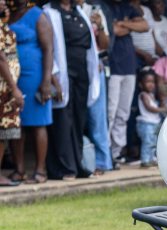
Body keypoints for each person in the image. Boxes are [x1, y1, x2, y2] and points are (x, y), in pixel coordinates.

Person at [45, 0, 100, 179]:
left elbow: (89, 44)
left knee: (78, 119)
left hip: (81, 70)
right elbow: (48, 47)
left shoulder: (79, 11)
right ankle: (63, 167)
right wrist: (54, 77)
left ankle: (78, 164)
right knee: (62, 119)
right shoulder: (49, 12)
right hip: (63, 72)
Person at [8, 0, 53, 183]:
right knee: (15, 123)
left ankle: (40, 170)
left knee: (37, 122)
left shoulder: (38, 15)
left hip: (34, 75)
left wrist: (46, 81)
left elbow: (48, 49)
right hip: (13, 77)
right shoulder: (9, 14)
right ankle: (19, 169)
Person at [106, 0, 147, 166]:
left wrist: (123, 23)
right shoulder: (102, 6)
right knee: (110, 112)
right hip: (112, 65)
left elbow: (144, 26)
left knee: (123, 112)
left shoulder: (127, 7)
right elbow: (113, 30)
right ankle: (106, 151)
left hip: (129, 66)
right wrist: (130, 25)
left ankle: (117, 152)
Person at [79, 0, 110, 174]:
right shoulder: (62, 11)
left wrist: (100, 26)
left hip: (95, 69)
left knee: (97, 118)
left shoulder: (94, 10)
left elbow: (105, 45)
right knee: (78, 119)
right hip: (75, 68)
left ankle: (102, 162)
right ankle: (84, 162)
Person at [0, 0, 23, 186]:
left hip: (6, 86)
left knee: (3, 133)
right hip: (3, 88)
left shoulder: (3, 23)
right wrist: (14, 88)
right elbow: (0, 58)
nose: (3, 3)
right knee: (1, 132)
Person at [135, 68, 162, 167]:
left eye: (152, 82)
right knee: (147, 142)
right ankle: (145, 160)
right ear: (141, 84)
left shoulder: (152, 95)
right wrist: (161, 109)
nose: (151, 84)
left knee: (154, 142)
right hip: (146, 124)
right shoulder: (143, 95)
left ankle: (152, 158)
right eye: (148, 82)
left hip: (154, 123)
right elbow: (149, 107)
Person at [128, 0, 155, 66]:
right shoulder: (125, 10)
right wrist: (143, 54)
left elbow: (152, 33)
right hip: (136, 56)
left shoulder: (147, 10)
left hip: (151, 56)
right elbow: (125, 40)